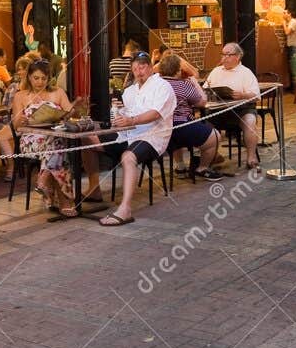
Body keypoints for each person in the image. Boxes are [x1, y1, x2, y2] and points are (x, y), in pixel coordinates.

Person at [13, 60, 100, 215]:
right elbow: (15, 124)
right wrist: (22, 120)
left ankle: (45, 178)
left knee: (57, 144)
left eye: (43, 78)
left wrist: (76, 107)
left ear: (49, 78)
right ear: (29, 77)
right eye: (36, 78)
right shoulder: (20, 96)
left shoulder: (58, 92)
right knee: (60, 148)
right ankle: (65, 201)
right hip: (31, 140)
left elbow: (69, 114)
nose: (40, 82)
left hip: (55, 137)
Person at [100, 51, 175, 227]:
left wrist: (131, 120)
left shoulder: (162, 86)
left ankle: (125, 209)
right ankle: (94, 190)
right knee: (91, 141)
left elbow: (156, 113)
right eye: (135, 68)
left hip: (152, 136)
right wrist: (118, 113)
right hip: (128, 134)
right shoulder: (129, 91)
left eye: (142, 67)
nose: (139, 71)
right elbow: (125, 115)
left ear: (150, 67)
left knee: (128, 157)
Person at [158, 53, 222, 181]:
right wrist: (194, 82)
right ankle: (202, 168)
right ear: (177, 70)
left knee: (179, 133)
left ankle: (180, 167)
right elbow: (202, 102)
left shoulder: (156, 84)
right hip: (180, 127)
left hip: (161, 129)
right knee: (215, 136)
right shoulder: (183, 84)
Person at [203, 42, 264, 171]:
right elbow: (205, 90)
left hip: (242, 109)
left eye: (228, 55)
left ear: (237, 57)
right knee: (204, 126)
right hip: (218, 110)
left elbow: (256, 96)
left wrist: (242, 95)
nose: (224, 58)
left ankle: (251, 158)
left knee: (250, 122)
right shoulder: (216, 71)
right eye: (223, 54)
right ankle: (213, 156)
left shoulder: (246, 72)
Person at [284, 11, 296, 92]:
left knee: (295, 67)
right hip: (293, 47)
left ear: (290, 13)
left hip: (295, 47)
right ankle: (294, 88)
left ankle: (295, 89)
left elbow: (287, 32)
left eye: (285, 13)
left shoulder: (292, 22)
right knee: (293, 67)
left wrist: (283, 24)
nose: (283, 15)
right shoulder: (292, 22)